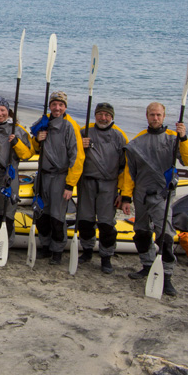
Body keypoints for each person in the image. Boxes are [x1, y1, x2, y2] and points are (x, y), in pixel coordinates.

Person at [122, 102, 188, 296]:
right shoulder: (137, 141)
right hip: (141, 193)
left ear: (164, 117)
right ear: (146, 116)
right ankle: (147, 265)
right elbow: (130, 173)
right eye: (152, 115)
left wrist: (184, 137)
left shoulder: (174, 138)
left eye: (159, 115)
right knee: (141, 232)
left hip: (162, 193)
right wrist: (126, 197)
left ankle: (167, 275)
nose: (155, 118)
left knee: (165, 235)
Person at [30, 91, 84, 265]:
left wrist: (70, 185)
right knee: (42, 214)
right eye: (54, 104)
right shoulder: (43, 123)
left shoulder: (70, 126)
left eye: (60, 105)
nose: (57, 108)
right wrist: (38, 139)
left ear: (65, 107)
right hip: (43, 175)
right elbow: (33, 148)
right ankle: (45, 246)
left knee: (57, 216)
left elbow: (76, 157)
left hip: (60, 177)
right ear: (50, 106)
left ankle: (57, 251)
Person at [76, 102, 129, 274]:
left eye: (107, 115)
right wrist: (80, 147)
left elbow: (125, 167)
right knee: (85, 221)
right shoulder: (84, 131)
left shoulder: (120, 136)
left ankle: (106, 257)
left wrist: (123, 193)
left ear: (112, 117)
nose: (103, 118)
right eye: (100, 114)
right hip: (87, 182)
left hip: (109, 184)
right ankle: (87, 251)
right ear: (95, 115)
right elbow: (73, 155)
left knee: (106, 224)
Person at [0, 97, 34, 251]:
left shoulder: (17, 130)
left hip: (9, 179)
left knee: (7, 216)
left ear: (8, 111)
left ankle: (5, 246)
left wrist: (16, 143)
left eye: (2, 110)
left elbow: (27, 154)